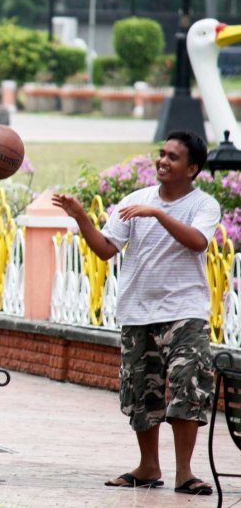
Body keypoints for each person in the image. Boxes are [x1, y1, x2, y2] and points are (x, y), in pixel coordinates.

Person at [52, 130, 218, 496]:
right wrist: (81, 217)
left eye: (173, 157)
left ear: (192, 169)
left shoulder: (203, 205)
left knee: (188, 382)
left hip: (185, 311)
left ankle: (185, 473)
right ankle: (148, 467)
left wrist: (157, 214)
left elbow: (197, 242)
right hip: (137, 310)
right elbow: (105, 250)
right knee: (141, 392)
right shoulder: (135, 201)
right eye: (162, 154)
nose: (162, 160)